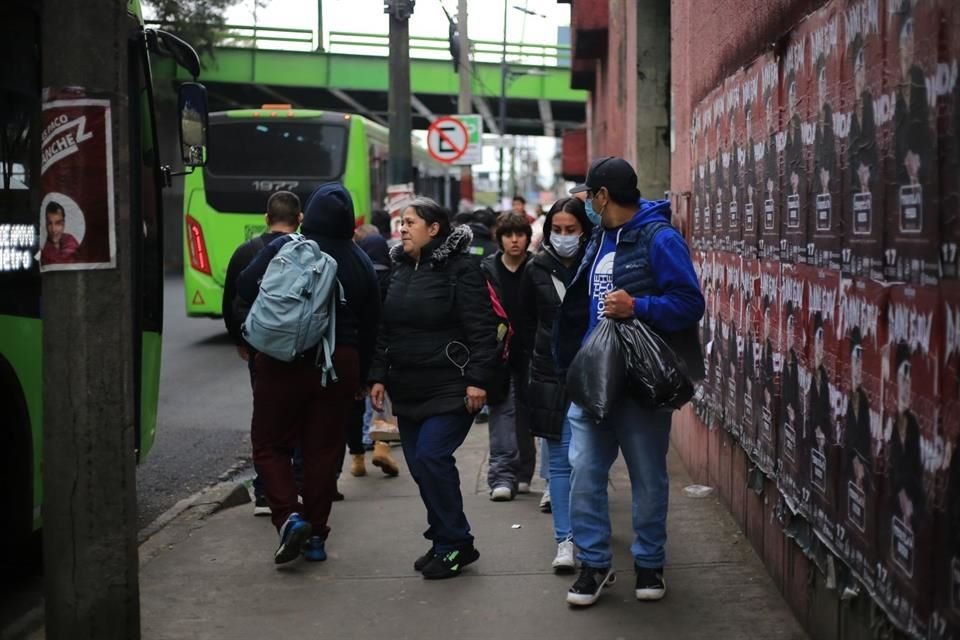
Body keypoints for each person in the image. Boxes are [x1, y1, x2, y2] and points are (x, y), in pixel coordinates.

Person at [555, 156, 705, 606]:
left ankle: (649, 563)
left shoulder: (660, 238)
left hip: (640, 382)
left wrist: (638, 306)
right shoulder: (599, 237)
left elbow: (689, 302)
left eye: (589, 198)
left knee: (647, 477)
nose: (587, 208)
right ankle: (595, 565)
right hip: (594, 377)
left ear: (603, 196)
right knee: (583, 470)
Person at [237, 182, 381, 564]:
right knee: (322, 452)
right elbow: (372, 325)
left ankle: (288, 517)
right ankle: (316, 536)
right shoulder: (360, 259)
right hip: (340, 363)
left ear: (309, 215)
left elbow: (244, 286)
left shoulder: (284, 248)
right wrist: (363, 378)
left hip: (282, 358)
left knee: (269, 444)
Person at [368, 197, 499, 580]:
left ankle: (456, 544)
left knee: (432, 458)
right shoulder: (396, 268)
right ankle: (444, 538)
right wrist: (377, 376)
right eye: (401, 223)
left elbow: (481, 329)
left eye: (410, 222)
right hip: (407, 387)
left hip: (450, 385)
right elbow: (383, 330)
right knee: (421, 469)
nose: (403, 229)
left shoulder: (462, 269)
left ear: (434, 228)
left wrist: (478, 380)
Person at [519, 197, 593, 572]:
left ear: (584, 230)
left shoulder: (596, 264)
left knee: (590, 463)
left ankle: (590, 534)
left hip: (594, 373)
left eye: (571, 230)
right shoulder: (536, 269)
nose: (563, 238)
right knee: (561, 463)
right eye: (557, 231)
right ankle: (564, 541)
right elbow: (529, 324)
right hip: (550, 374)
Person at [222, 190, 303, 516]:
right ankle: (293, 486)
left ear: (266, 218)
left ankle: (264, 491)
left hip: (260, 350)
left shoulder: (245, 252)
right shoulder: (307, 252)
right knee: (297, 418)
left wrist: (240, 340)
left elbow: (230, 301)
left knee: (265, 421)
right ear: (299, 219)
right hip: (299, 349)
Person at [482, 212, 534, 501]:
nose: (515, 240)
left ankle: (524, 472)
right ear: (499, 238)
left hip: (532, 353)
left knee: (529, 415)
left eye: (520, 234)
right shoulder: (486, 269)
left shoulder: (538, 267)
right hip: (499, 354)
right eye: (508, 235)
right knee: (502, 414)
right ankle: (502, 475)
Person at [341, 228, 400, 478]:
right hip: (383, 351)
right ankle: (381, 446)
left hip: (355, 349)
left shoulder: (356, 276)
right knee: (381, 402)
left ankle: (356, 459)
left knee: (354, 407)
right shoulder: (396, 279)